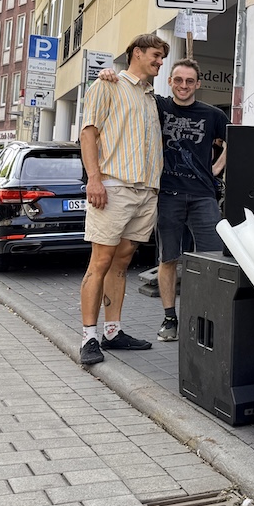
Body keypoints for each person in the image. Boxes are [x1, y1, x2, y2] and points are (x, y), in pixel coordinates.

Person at [98, 58, 228, 342]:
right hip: (166, 194)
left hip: (203, 195)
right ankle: (170, 319)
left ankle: (207, 317)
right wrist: (110, 75)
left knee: (212, 259)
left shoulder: (213, 114)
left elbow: (234, 141)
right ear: (170, 81)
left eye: (190, 81)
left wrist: (215, 169)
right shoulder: (157, 106)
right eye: (178, 80)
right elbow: (131, 88)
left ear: (198, 84)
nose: (184, 86)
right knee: (168, 258)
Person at [78, 33, 169, 366]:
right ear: (137, 53)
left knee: (122, 261)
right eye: (155, 56)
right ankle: (89, 337)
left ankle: (112, 332)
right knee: (100, 262)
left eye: (161, 57)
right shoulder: (108, 84)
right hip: (114, 187)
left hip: (146, 191)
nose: (160, 62)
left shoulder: (148, 95)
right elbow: (88, 132)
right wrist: (94, 179)